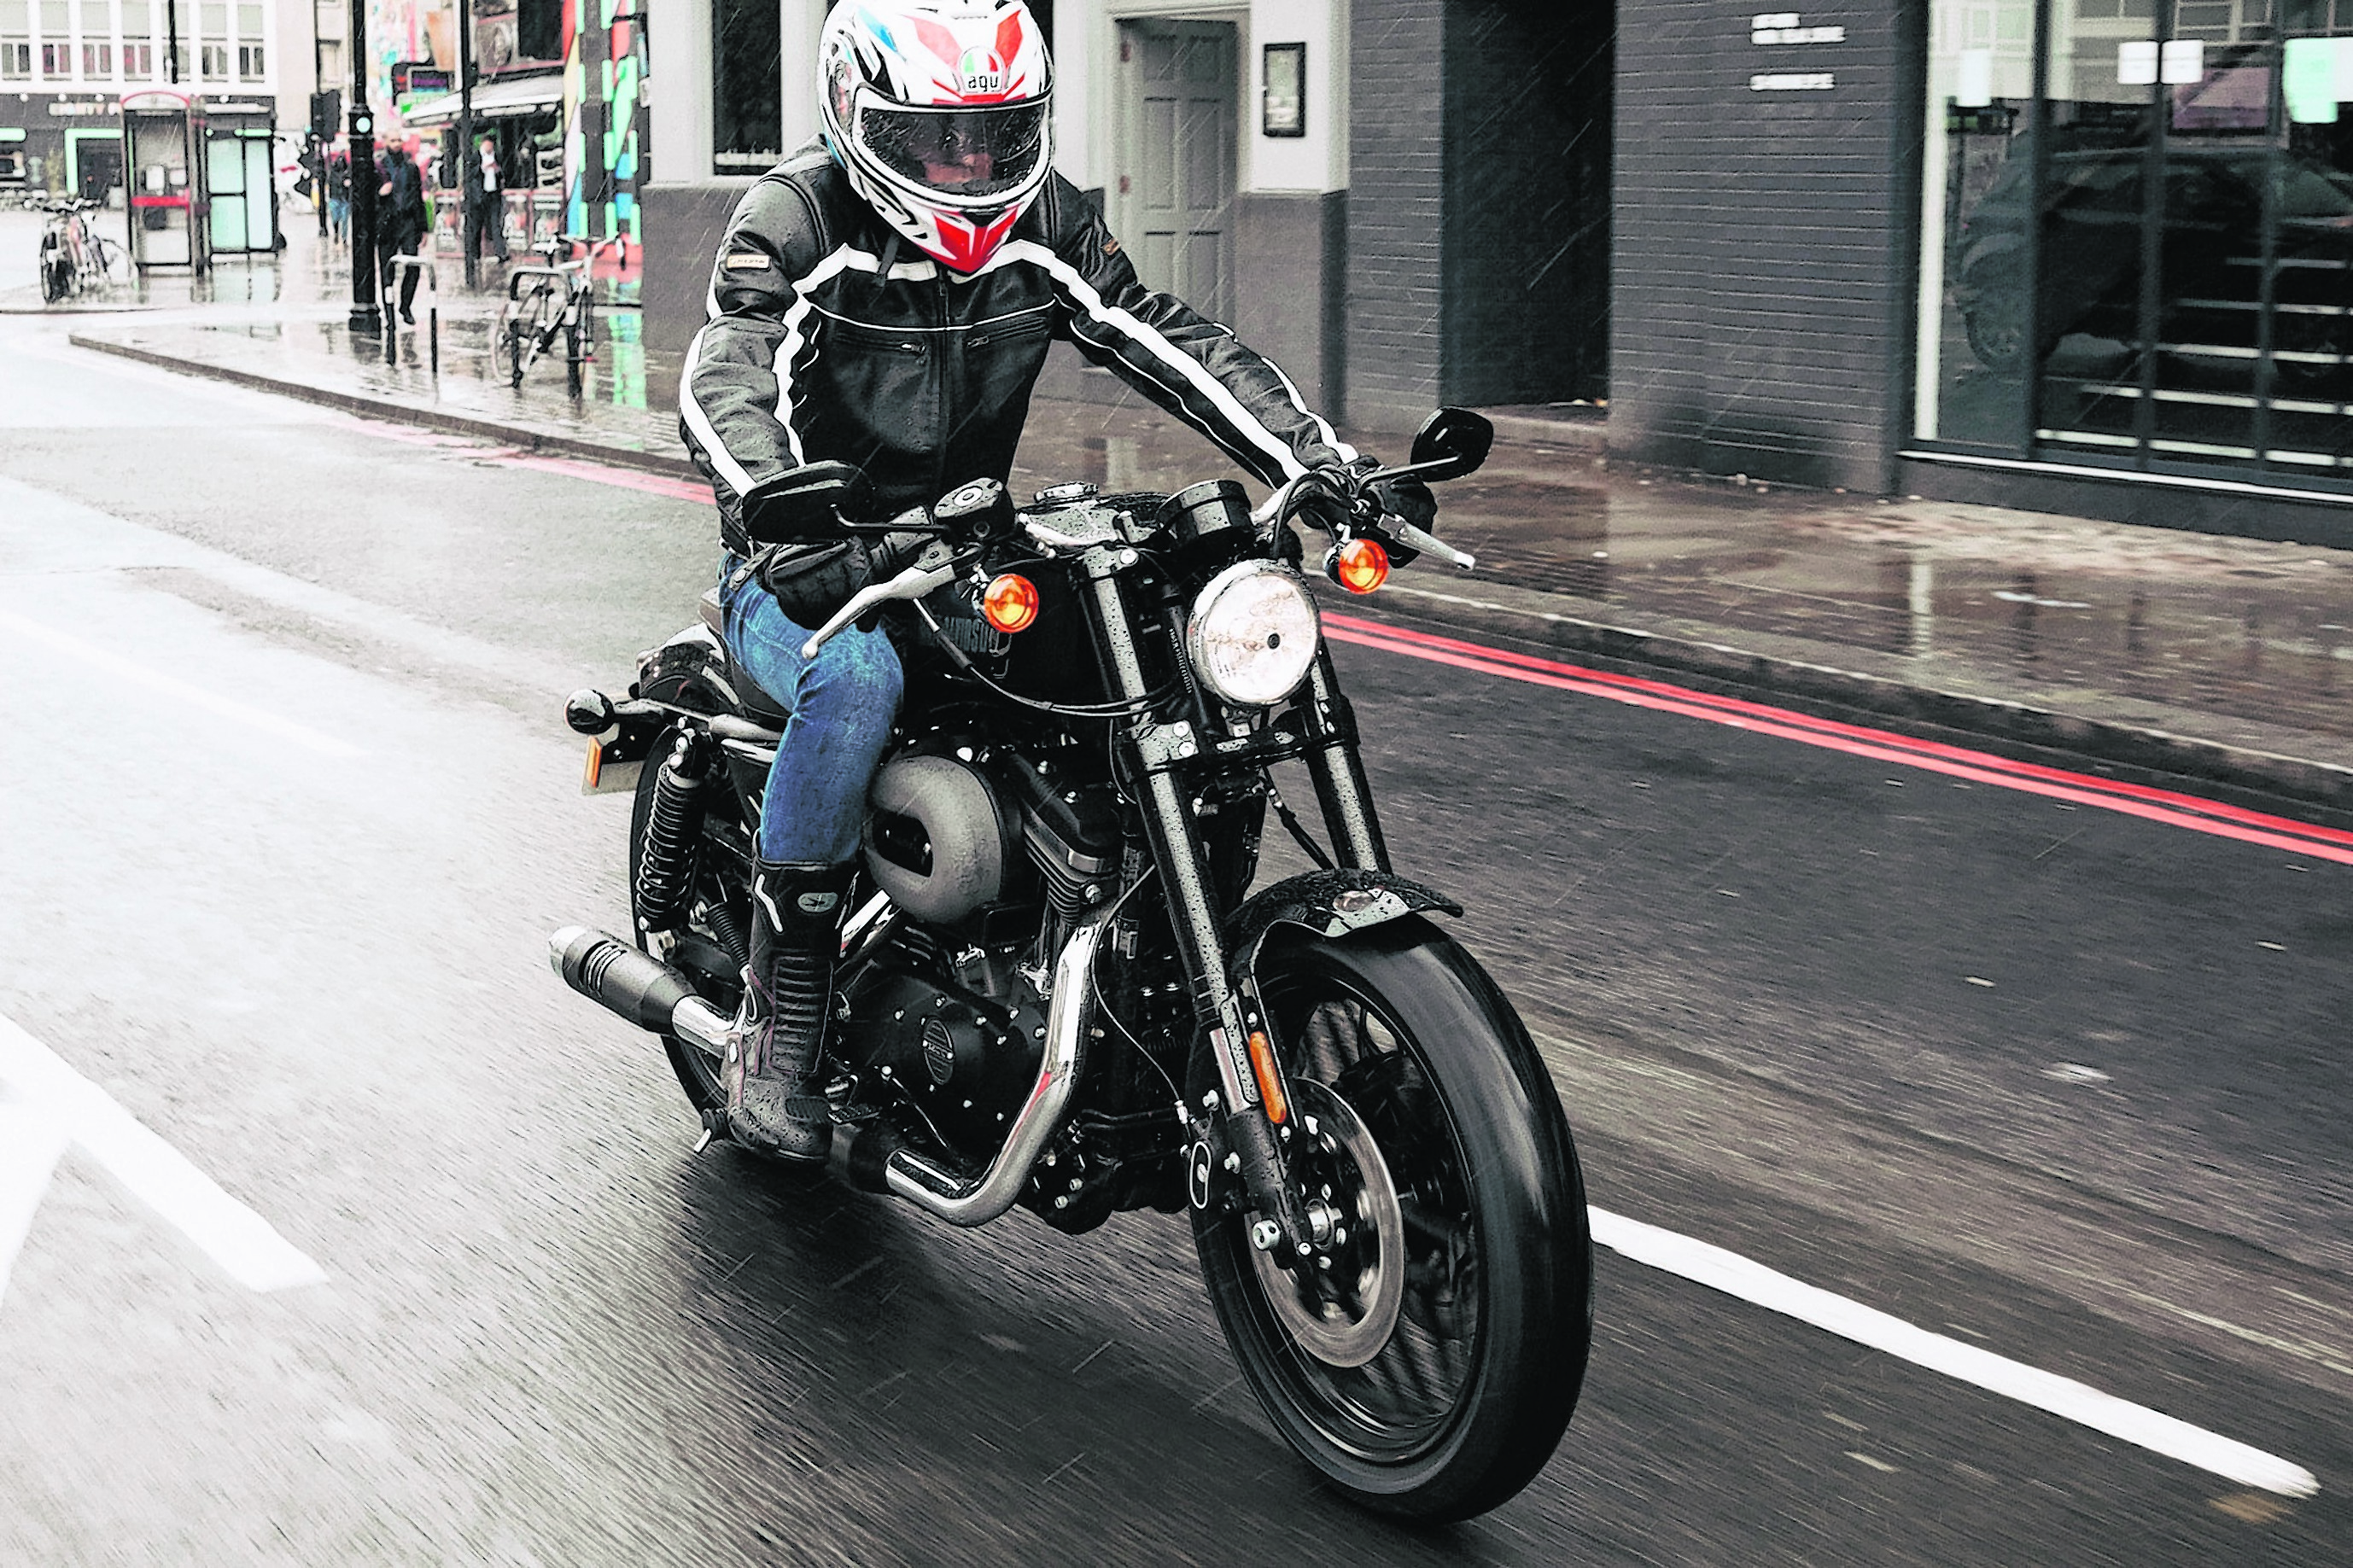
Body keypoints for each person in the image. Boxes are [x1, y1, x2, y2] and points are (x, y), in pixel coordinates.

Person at [678, 0, 1428, 1163]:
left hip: (962, 546)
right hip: (805, 559)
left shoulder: (1041, 220)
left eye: (998, 135)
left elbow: (1158, 330)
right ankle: (782, 1018)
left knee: (1145, 657)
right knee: (857, 682)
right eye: (941, 140)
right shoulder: (798, 214)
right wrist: (785, 515)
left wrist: (1313, 462)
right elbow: (726, 369)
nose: (973, 168)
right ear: (858, 117)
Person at [377, 142, 429, 324]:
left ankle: (405, 305)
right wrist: (380, 194)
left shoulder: (411, 168)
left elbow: (418, 197)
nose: (396, 144)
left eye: (399, 140)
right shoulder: (379, 167)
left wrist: (423, 227)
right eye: (392, 141)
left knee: (413, 265)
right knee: (386, 270)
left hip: (408, 221)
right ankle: (389, 313)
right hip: (387, 223)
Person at [466, 135, 510, 263]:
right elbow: (469, 175)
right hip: (479, 196)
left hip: (493, 195)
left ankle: (500, 252)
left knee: (496, 224)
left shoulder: (497, 157)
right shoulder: (475, 158)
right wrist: (481, 169)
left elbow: (505, 172)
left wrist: (498, 170)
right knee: (477, 226)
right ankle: (475, 254)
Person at [326, 149, 350, 248]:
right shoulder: (332, 173)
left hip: (343, 198)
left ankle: (343, 238)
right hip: (336, 197)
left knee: (344, 220)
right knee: (336, 219)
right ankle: (337, 234)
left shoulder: (347, 173)